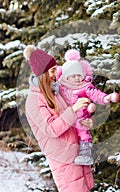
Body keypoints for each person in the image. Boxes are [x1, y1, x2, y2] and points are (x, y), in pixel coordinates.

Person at [23, 45, 94, 192]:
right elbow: (52, 129)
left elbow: (68, 121)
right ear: (43, 73)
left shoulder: (54, 93)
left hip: (75, 152)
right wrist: (73, 110)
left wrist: (83, 122)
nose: (57, 74)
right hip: (63, 158)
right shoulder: (34, 100)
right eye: (53, 70)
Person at [57, 49, 113, 166]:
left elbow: (95, 93)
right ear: (66, 77)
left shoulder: (85, 87)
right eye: (73, 76)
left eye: (79, 75)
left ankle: (85, 155)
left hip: (81, 117)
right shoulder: (60, 86)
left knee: (83, 133)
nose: (77, 78)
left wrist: (105, 98)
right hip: (66, 116)